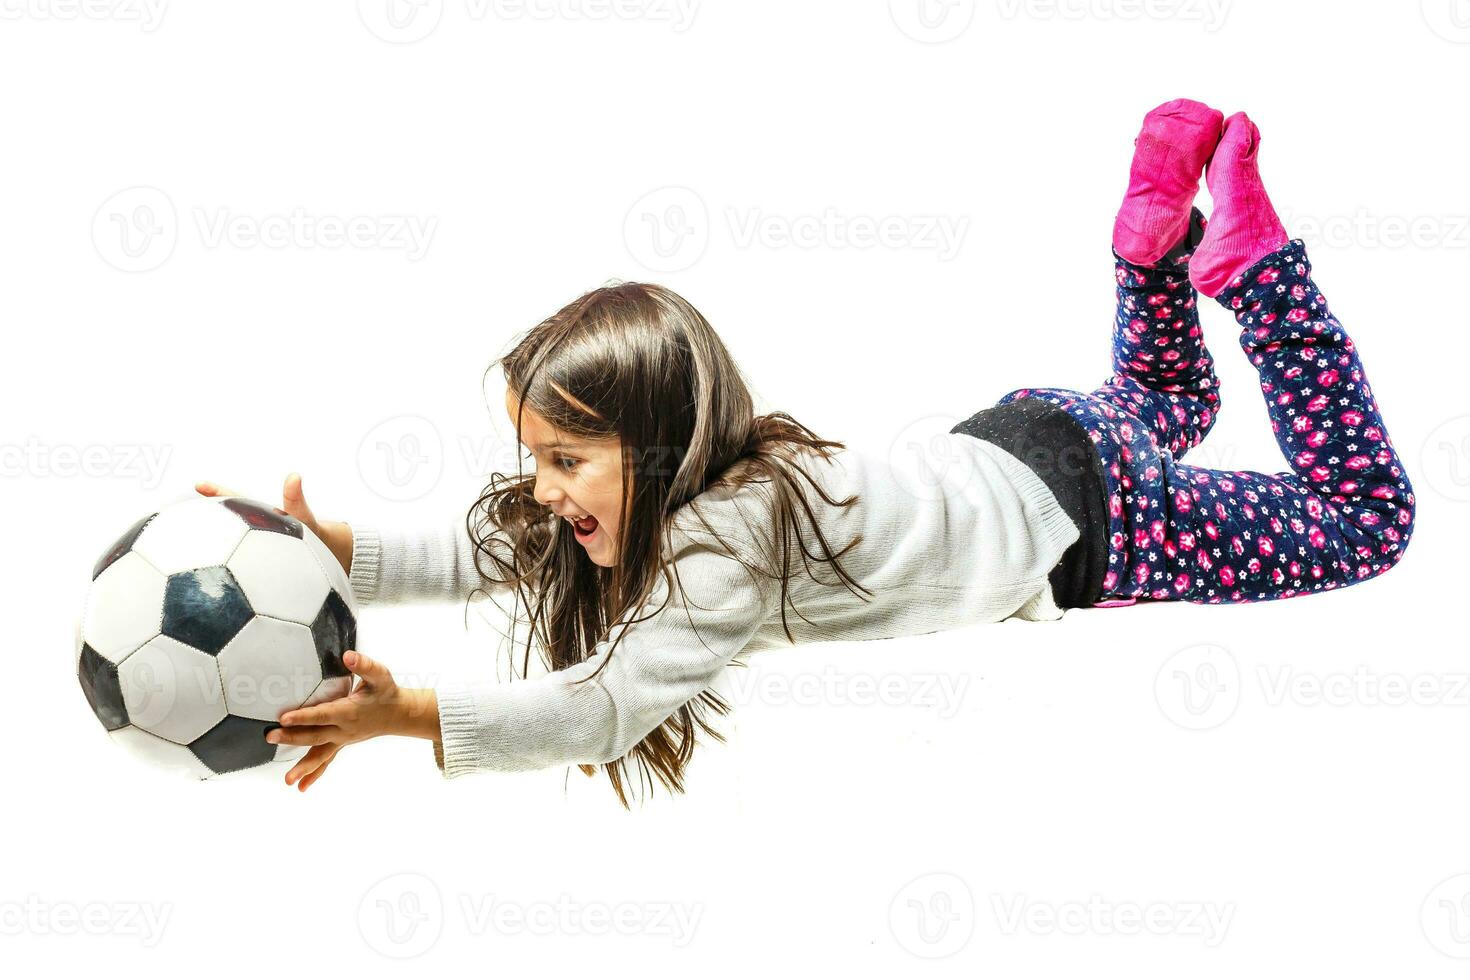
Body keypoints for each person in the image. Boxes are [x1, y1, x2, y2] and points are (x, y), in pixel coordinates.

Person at [199, 99, 1414, 803]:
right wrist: (336, 545)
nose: (542, 486)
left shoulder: (721, 552)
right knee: (1157, 398)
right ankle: (1151, 236)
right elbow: (512, 549)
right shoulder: (730, 476)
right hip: (1036, 442)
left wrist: (406, 712)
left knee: (1367, 520)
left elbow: (603, 707)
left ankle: (1252, 273)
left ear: (662, 442)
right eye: (538, 454)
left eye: (569, 457)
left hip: (1086, 518)